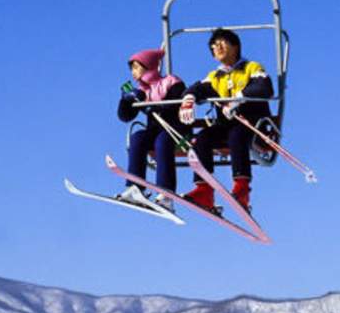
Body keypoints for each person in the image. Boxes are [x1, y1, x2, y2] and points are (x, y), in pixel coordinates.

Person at [179, 28, 274, 213]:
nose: (218, 47)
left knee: (236, 136)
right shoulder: (215, 76)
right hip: (226, 126)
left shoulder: (251, 68)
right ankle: (204, 190)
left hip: (252, 125)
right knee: (202, 138)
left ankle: (242, 188)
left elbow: (264, 87)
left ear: (235, 46)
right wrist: (189, 99)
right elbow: (197, 89)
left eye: (222, 42)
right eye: (214, 46)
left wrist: (238, 99)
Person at [116, 48, 187, 210]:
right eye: (131, 69)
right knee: (138, 138)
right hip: (155, 130)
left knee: (162, 142)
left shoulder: (171, 81)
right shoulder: (142, 90)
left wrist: (155, 107)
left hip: (175, 128)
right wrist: (125, 100)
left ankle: (166, 193)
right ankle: (135, 187)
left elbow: (177, 103)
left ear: (148, 65)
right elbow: (125, 117)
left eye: (136, 67)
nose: (133, 72)